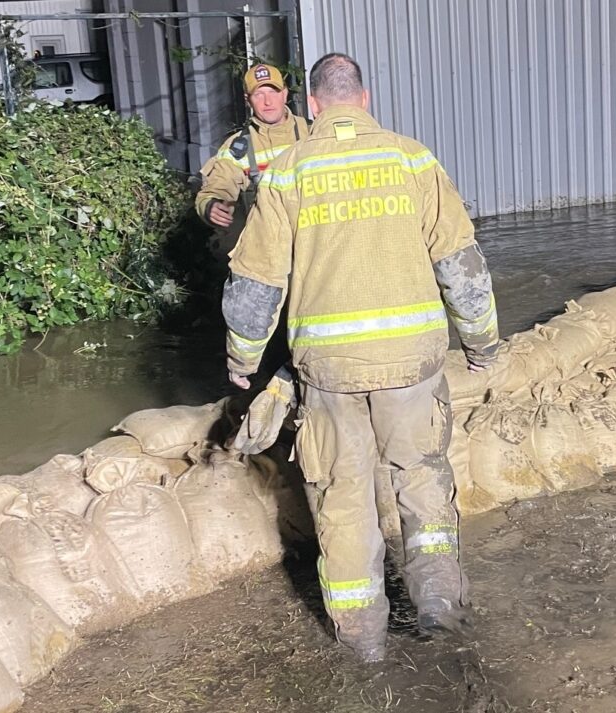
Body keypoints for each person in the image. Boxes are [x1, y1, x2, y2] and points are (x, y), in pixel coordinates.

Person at [221, 52, 500, 663]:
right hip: (413, 367)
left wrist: (242, 361)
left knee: (343, 503)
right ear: (364, 100)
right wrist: (480, 344)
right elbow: (461, 264)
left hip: (329, 374)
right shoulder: (410, 157)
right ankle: (441, 621)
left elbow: (255, 283)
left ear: (313, 106)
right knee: (423, 487)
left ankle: (365, 650)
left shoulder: (288, 171)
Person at [195, 63, 310, 252]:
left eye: (273, 92)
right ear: (248, 100)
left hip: (314, 244)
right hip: (268, 251)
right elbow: (217, 188)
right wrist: (211, 206)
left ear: (285, 94)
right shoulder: (239, 147)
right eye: (259, 95)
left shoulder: (313, 132)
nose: (267, 102)